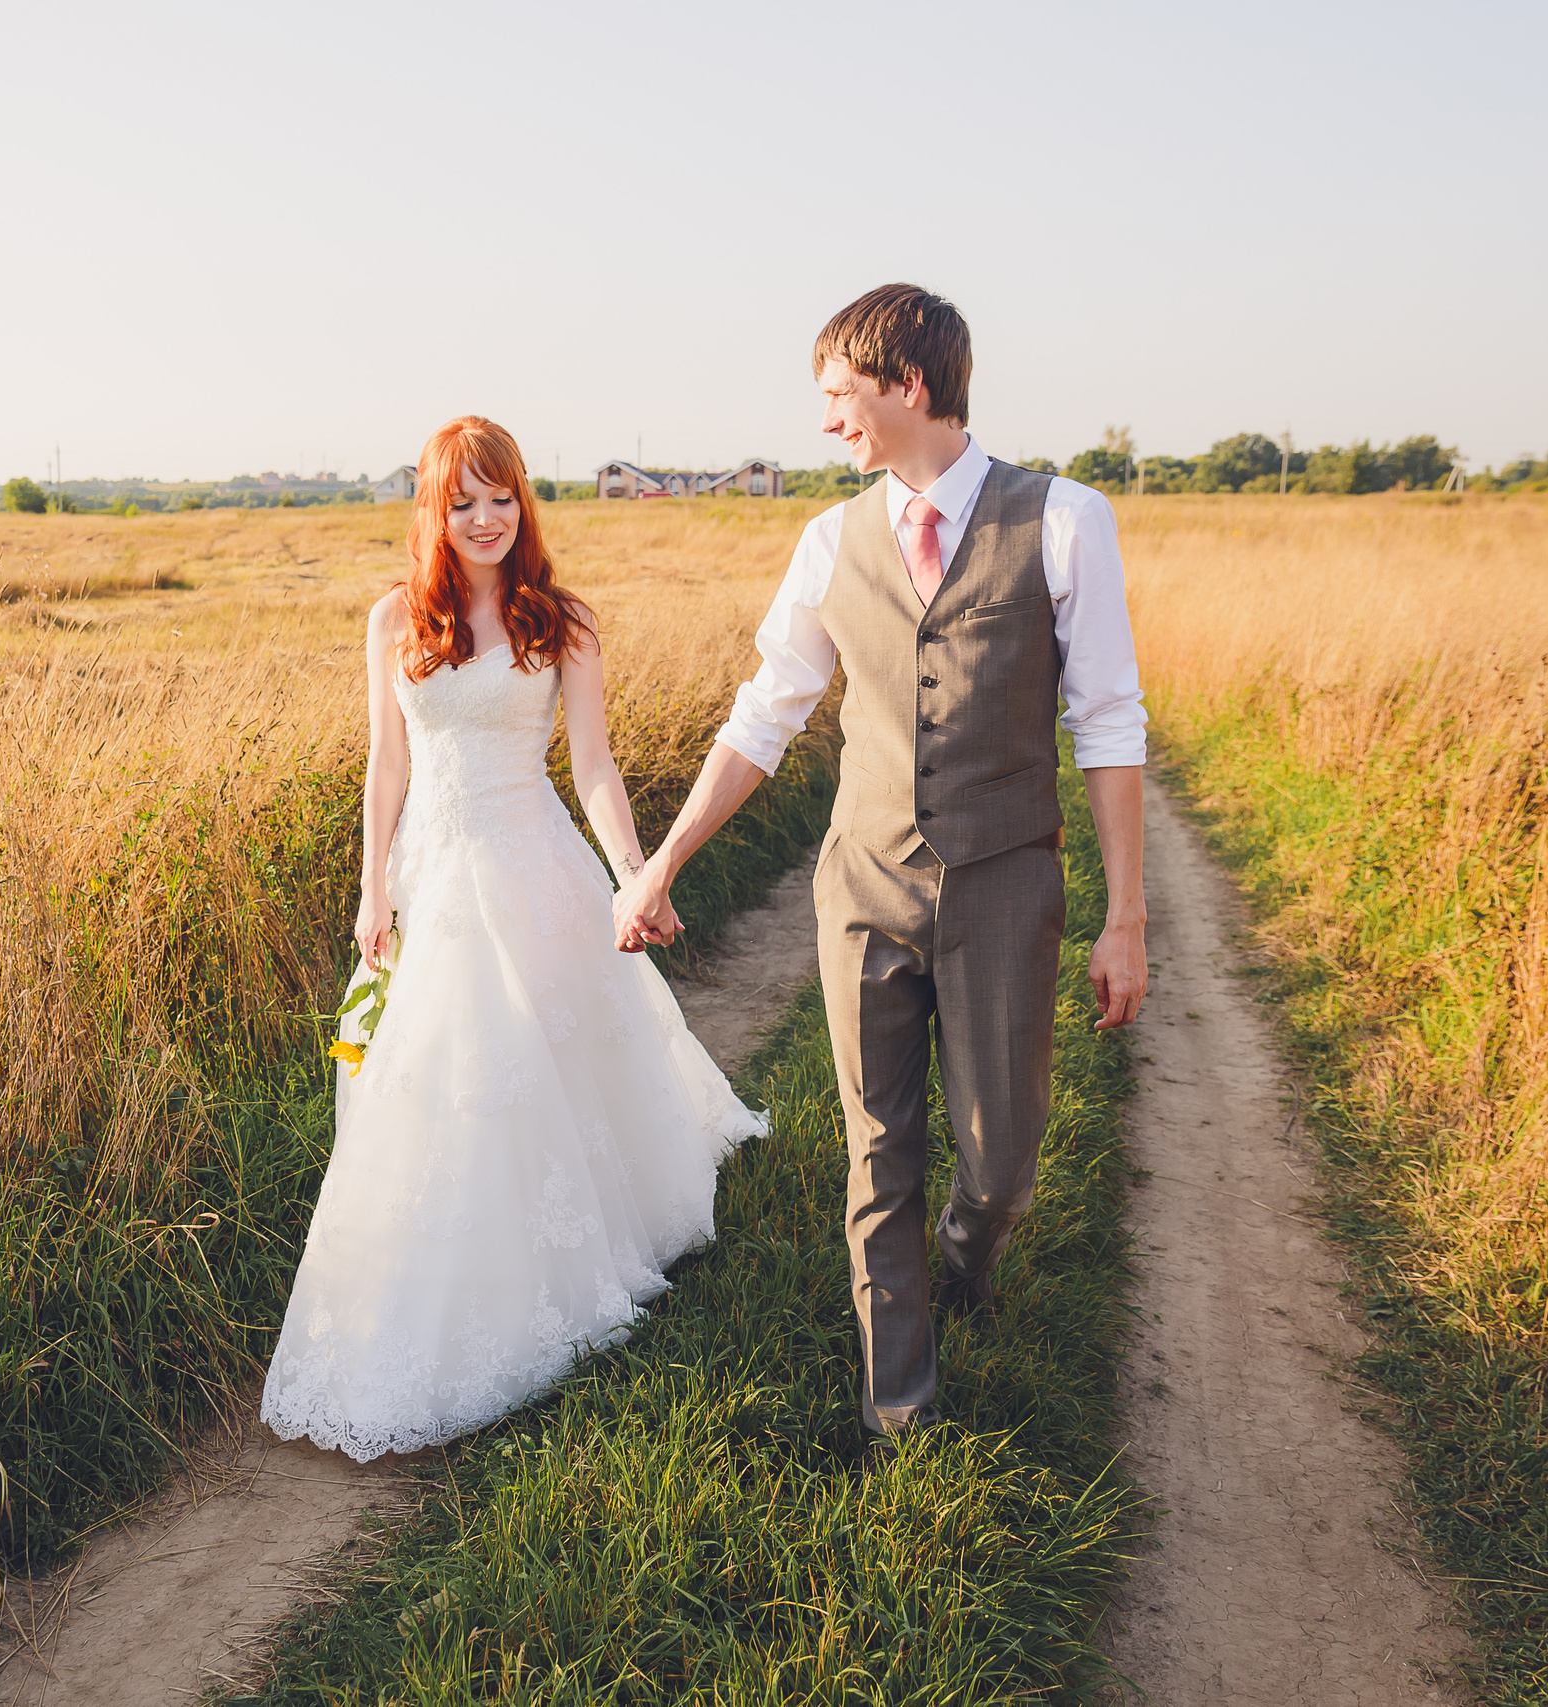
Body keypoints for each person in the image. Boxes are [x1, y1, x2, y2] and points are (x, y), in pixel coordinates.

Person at [613, 284, 1150, 1434]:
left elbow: (1107, 723)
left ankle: (965, 1261)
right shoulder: (825, 542)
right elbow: (764, 715)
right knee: (878, 1144)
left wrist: (1126, 918)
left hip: (1006, 883)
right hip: (862, 882)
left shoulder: (1063, 520)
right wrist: (661, 864)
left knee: (1000, 1164)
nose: (825, 424)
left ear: (908, 386)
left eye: (838, 396)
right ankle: (896, 1405)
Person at [260, 416, 766, 1462]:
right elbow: (384, 771)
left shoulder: (562, 620)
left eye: (501, 499)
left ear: (522, 505)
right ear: (433, 512)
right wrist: (369, 895)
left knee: (545, 1058)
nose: (484, 519)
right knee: (441, 1074)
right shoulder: (393, 619)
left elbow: (592, 766)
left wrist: (636, 873)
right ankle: (428, 1272)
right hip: (431, 874)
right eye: (462, 502)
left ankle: (576, 1247)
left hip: (533, 863)